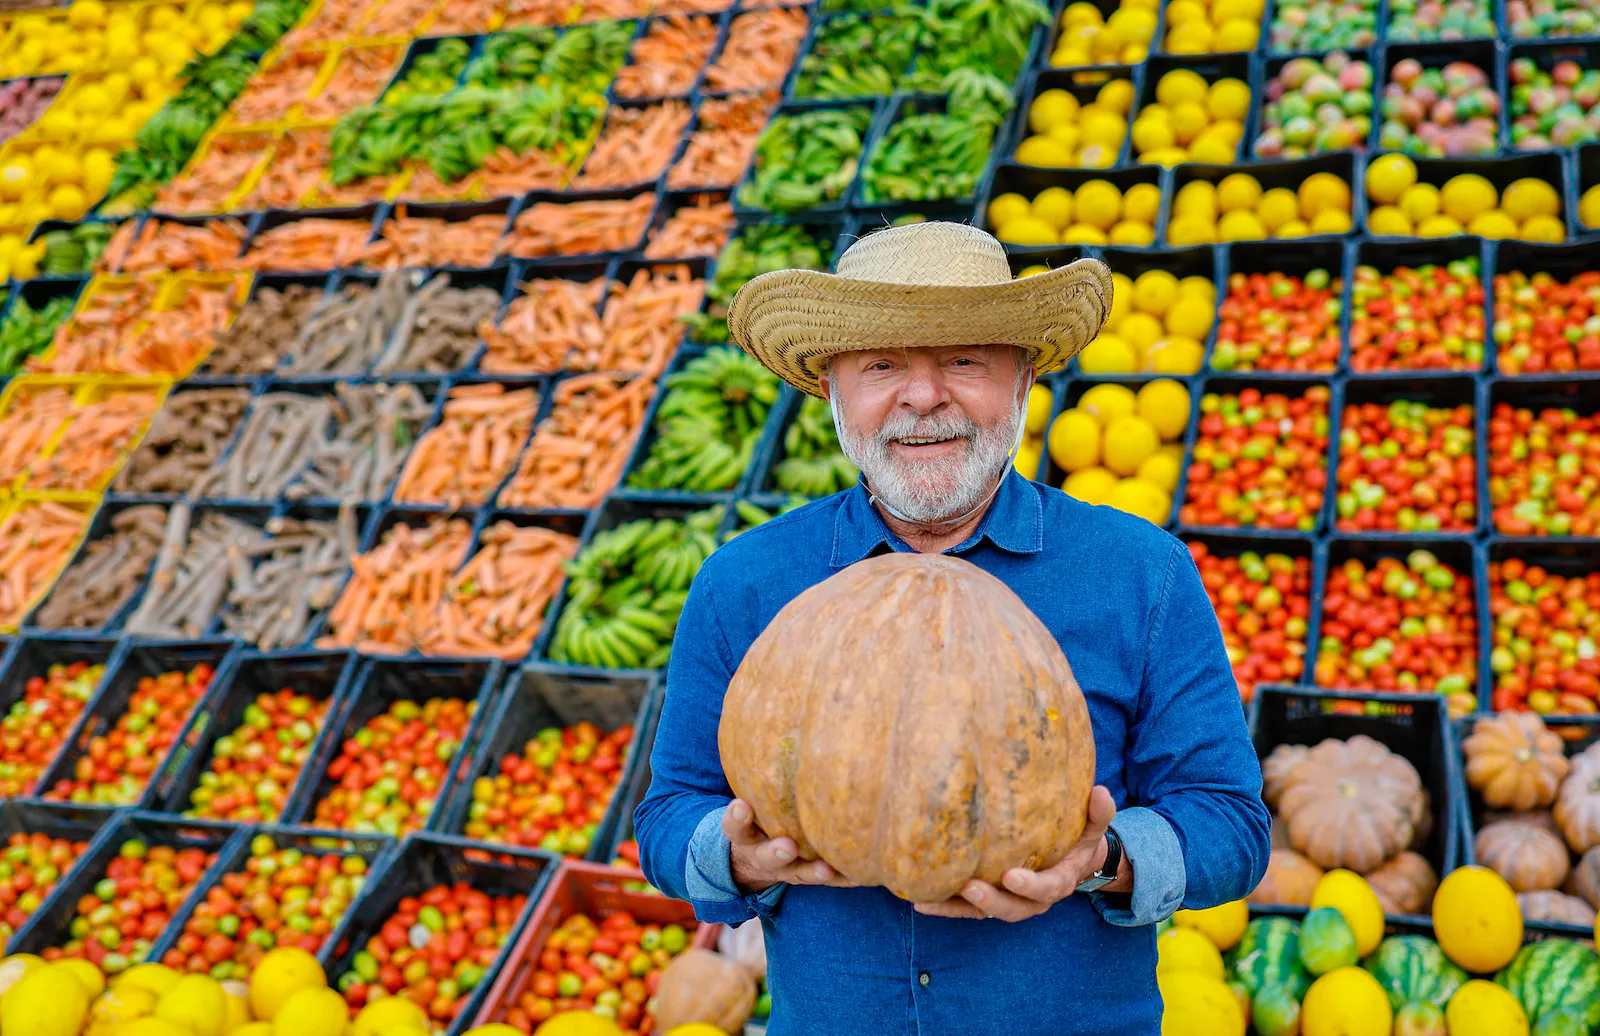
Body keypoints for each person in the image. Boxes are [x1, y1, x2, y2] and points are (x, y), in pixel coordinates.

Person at [633, 221, 1271, 1035]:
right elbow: (667, 815)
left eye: (964, 358)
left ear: (1023, 379)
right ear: (833, 389)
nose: (924, 395)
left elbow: (1233, 825)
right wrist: (731, 857)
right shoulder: (745, 582)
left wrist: (1102, 861)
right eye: (881, 365)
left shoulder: (1140, 573)